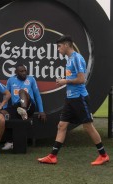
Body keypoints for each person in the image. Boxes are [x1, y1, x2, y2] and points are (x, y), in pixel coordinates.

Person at [37, 35, 109, 165]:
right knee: (62, 125)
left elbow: (82, 79)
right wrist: (65, 82)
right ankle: (52, 156)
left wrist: (65, 81)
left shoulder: (77, 58)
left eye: (59, 46)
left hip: (79, 98)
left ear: (66, 45)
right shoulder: (69, 59)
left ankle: (103, 155)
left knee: (88, 126)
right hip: (70, 99)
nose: (58, 49)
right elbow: (73, 79)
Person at [1, 64, 47, 150]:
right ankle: (10, 142)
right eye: (21, 71)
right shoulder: (11, 80)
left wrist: (41, 111)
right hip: (17, 107)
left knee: (22, 92)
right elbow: (6, 96)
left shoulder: (31, 79)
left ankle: (23, 110)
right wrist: (4, 109)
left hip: (30, 106)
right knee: (2, 114)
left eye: (25, 71)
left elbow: (37, 95)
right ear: (16, 72)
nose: (24, 73)